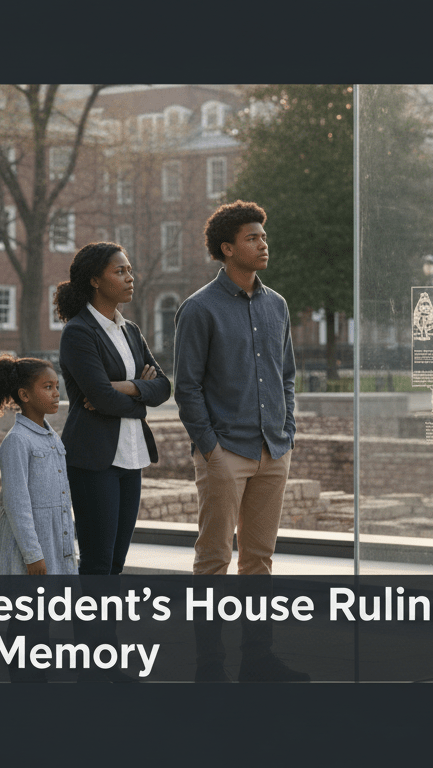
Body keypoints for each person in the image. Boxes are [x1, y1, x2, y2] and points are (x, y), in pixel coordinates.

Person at [174, 199, 308, 682]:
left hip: (274, 450)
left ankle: (258, 659)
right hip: (225, 452)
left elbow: (287, 374)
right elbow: (185, 386)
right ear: (227, 249)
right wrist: (210, 448)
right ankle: (209, 667)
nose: (262, 244)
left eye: (264, 237)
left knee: (260, 560)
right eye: (252, 238)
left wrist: (287, 430)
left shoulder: (277, 305)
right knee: (213, 562)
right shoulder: (198, 308)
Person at [55, 242, 170, 575]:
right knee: (97, 562)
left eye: (129, 270)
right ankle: (92, 630)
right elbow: (100, 399)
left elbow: (163, 386)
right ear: (95, 280)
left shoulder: (129, 330)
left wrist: (127, 387)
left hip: (131, 457)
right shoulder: (78, 332)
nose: (129, 277)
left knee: (117, 562)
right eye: (120, 271)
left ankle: (107, 629)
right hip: (94, 459)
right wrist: (139, 398)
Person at [0, 356, 77, 577]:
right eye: (48, 387)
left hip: (57, 549)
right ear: (24, 395)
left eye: (57, 386)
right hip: (28, 555)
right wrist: (33, 555)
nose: (57, 393)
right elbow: (16, 504)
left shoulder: (53, 438)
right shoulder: (17, 441)